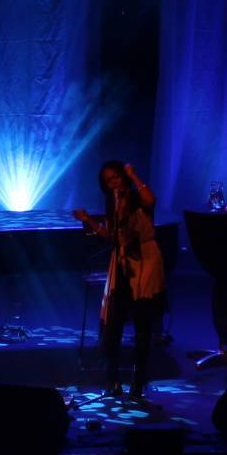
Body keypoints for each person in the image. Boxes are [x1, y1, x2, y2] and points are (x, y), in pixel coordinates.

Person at [74, 160, 166, 398]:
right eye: (109, 180)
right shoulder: (111, 202)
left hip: (145, 261)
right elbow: (111, 236)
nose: (114, 182)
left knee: (143, 324)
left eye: (116, 177)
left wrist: (133, 175)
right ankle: (112, 379)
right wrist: (88, 221)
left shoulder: (137, 197)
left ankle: (139, 380)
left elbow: (151, 201)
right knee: (113, 323)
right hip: (123, 263)